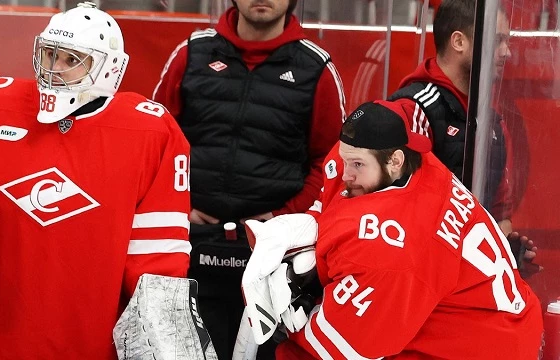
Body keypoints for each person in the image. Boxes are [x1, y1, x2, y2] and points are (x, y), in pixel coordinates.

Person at [0, 3, 191, 359]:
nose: (53, 69)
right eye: (48, 54)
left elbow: (157, 263)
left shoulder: (149, 133)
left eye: (71, 59)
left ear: (109, 69)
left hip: (87, 341)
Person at [241, 99, 543, 359]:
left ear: (395, 161)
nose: (346, 174)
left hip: (484, 347)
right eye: (345, 160)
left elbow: (345, 348)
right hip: (494, 318)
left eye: (357, 165)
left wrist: (283, 328)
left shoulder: (397, 247)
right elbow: (333, 200)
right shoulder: (413, 162)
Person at [152, 0, 345, 357]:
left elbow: (332, 163)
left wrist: (282, 220)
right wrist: (179, 206)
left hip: (273, 257)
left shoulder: (316, 68)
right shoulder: (192, 52)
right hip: (189, 243)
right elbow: (156, 140)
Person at [388, 0, 539, 275]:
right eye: (497, 41)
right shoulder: (414, 109)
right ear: (458, 41)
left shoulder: (492, 121)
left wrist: (506, 252)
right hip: (422, 278)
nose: (506, 52)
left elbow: (500, 215)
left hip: (469, 279)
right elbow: (401, 218)